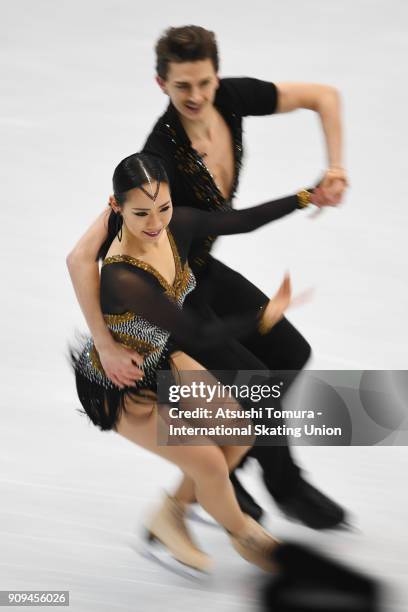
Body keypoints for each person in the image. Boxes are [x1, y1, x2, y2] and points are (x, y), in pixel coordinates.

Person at [66, 25, 349, 529]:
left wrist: (331, 175)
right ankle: (247, 479)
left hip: (201, 271)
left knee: (290, 352)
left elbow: (323, 96)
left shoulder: (231, 96)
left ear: (216, 76)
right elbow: (80, 257)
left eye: (204, 83)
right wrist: (106, 345)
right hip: (165, 295)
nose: (196, 97)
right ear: (162, 85)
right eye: (182, 87)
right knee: (254, 381)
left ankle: (242, 467)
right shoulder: (159, 155)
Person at [68, 153, 331, 575]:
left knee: (240, 432)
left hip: (162, 359)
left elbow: (241, 221)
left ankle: (170, 514)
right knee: (208, 461)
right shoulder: (123, 277)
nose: (155, 222)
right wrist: (263, 317)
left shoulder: (177, 226)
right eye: (140, 212)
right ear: (115, 207)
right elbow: (200, 335)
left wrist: (305, 196)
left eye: (163, 207)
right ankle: (247, 536)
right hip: (118, 384)